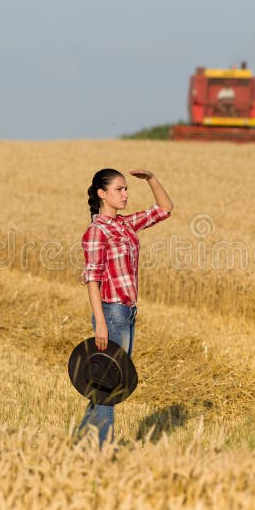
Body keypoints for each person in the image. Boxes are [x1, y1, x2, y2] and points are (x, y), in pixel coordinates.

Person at [77, 168, 173, 445]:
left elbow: (165, 208)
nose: (125, 194)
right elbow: (92, 279)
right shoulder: (96, 231)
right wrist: (101, 323)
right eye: (119, 189)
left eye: (126, 188)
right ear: (102, 194)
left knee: (106, 383)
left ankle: (84, 443)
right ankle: (99, 449)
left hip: (127, 312)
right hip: (112, 312)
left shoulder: (124, 225)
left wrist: (152, 178)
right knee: (109, 384)